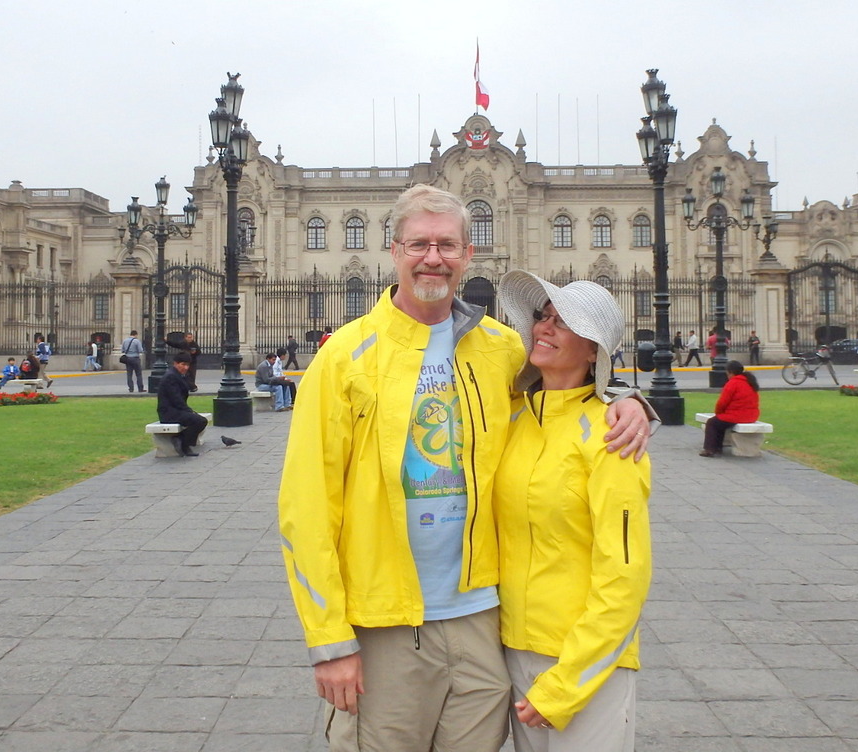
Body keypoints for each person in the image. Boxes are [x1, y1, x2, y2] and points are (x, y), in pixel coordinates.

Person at [277, 184, 653, 752]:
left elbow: (568, 385)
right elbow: (306, 507)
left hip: (482, 617)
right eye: (420, 243)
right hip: (386, 620)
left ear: (468, 253)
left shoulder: (500, 347)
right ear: (394, 249)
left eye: (447, 244)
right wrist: (330, 642)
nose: (434, 257)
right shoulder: (344, 356)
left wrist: (627, 398)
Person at [495, 271, 651, 750]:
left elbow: (624, 577)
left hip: (584, 661)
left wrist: (567, 683)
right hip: (515, 648)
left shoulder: (611, 437)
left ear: (594, 351)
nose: (545, 328)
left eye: (564, 323)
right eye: (544, 317)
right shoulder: (515, 419)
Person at [700, 360, 759, 457]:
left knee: (712, 422)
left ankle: (710, 449)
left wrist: (719, 413)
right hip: (751, 415)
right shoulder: (750, 381)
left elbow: (722, 402)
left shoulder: (733, 383)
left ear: (731, 372)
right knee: (720, 422)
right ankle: (717, 448)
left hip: (737, 415)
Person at [156, 353, 208, 457]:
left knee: (200, 420)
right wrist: (189, 411)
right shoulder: (170, 377)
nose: (186, 367)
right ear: (175, 363)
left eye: (187, 365)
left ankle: (183, 442)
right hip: (169, 413)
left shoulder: (178, 375)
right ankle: (182, 441)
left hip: (176, 410)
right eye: (183, 364)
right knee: (200, 421)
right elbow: (176, 399)